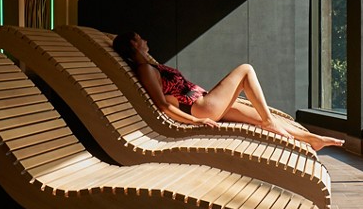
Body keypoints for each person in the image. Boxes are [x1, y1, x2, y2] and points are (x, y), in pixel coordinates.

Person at [112, 31, 343, 152]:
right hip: (201, 109)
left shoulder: (150, 65)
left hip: (203, 104)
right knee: (245, 70)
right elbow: (163, 105)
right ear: (133, 45)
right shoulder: (145, 68)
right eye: (140, 38)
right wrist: (195, 121)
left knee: (262, 119)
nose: (145, 40)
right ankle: (271, 121)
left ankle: (313, 140)